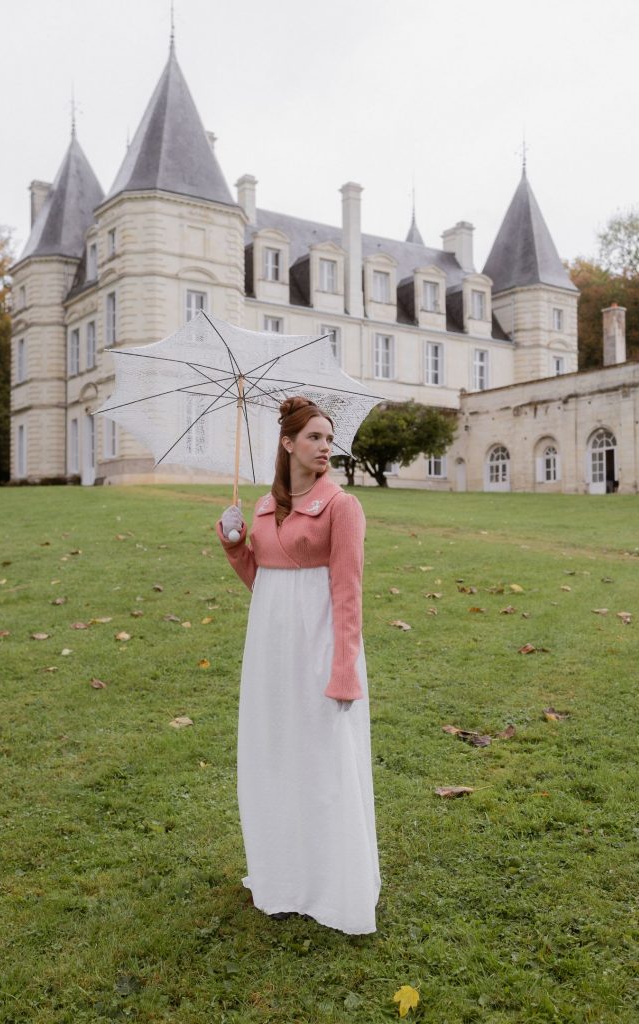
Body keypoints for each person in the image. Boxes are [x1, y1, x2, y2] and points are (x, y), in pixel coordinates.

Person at [216, 396, 380, 935]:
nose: (325, 447)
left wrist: (344, 668)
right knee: (276, 753)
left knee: (322, 759)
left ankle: (333, 885)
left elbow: (348, 593)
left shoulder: (343, 507)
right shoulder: (263, 508)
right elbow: (263, 584)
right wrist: (235, 543)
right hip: (269, 649)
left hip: (319, 645)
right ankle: (282, 878)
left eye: (329, 439)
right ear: (287, 443)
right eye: (314, 437)